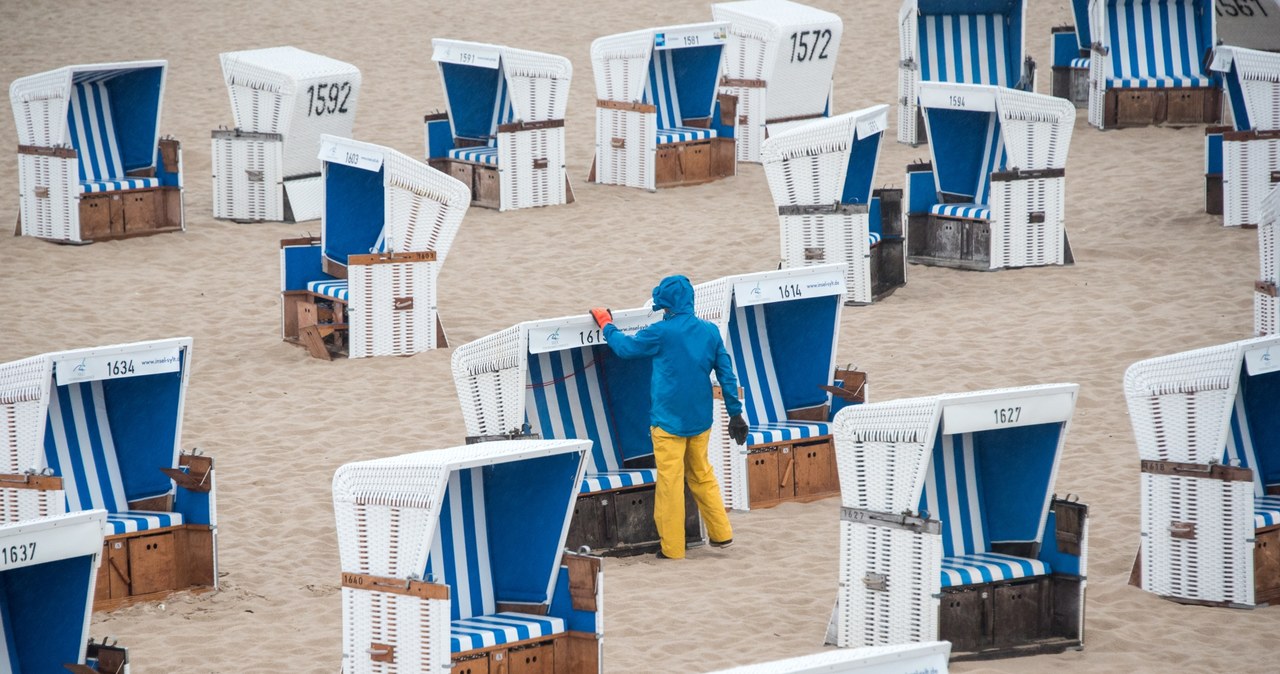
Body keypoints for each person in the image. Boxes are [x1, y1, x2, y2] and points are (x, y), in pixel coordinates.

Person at [590, 275, 749, 559]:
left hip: (667, 422)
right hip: (701, 420)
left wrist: (606, 324)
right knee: (702, 474)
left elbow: (625, 349)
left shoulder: (660, 332)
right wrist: (735, 414)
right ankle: (722, 534)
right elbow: (726, 375)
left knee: (671, 483)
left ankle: (673, 549)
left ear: (665, 304)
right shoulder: (710, 331)